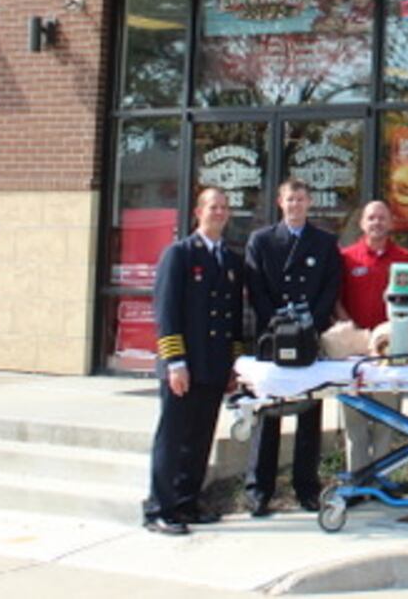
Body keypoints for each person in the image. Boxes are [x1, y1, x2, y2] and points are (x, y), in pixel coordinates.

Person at [144, 188, 245, 535]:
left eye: (224, 207)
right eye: (212, 207)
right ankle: (159, 507)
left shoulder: (229, 260)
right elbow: (166, 312)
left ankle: (187, 502)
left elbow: (232, 319)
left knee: (201, 437)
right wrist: (175, 362)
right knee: (173, 438)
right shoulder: (180, 254)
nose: (219, 212)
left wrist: (233, 364)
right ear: (198, 212)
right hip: (184, 366)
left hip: (214, 366)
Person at [245, 178, 343, 515]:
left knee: (308, 413)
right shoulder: (261, 241)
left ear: (310, 202)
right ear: (280, 202)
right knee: (268, 413)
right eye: (290, 199)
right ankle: (259, 490)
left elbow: (331, 287)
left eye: (301, 199)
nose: (296, 205)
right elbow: (256, 287)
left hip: (308, 338)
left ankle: (307, 488)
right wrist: (278, 324)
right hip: (272, 339)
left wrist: (308, 324)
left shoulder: (325, 242)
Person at [333, 200, 408, 473]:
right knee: (355, 424)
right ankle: (357, 479)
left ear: (391, 223)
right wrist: (354, 332)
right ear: (362, 223)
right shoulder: (347, 258)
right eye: (371, 218)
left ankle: (380, 479)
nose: (377, 223)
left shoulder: (404, 259)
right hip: (355, 352)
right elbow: (336, 301)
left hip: (391, 354)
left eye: (382, 218)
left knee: (386, 421)